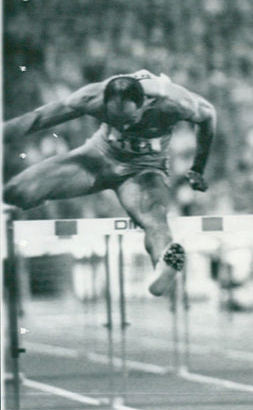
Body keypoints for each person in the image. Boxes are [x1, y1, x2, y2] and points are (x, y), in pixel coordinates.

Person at [3, 69, 216, 296]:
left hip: (143, 170)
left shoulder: (173, 102)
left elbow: (209, 115)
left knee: (154, 216)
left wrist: (198, 167)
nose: (123, 126)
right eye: (116, 120)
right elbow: (37, 118)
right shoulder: (91, 97)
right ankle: (35, 196)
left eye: (129, 119)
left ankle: (165, 263)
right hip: (98, 158)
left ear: (146, 103)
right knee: (16, 191)